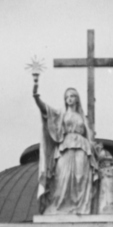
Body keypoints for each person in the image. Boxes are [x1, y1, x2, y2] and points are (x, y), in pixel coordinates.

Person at [33, 75, 102, 216]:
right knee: (61, 179)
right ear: (65, 100)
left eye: (72, 96)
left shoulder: (83, 117)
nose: (70, 98)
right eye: (67, 96)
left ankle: (81, 209)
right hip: (65, 148)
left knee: (80, 179)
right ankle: (59, 207)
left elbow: (89, 136)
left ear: (77, 99)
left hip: (83, 149)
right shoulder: (60, 114)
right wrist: (35, 95)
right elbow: (45, 109)